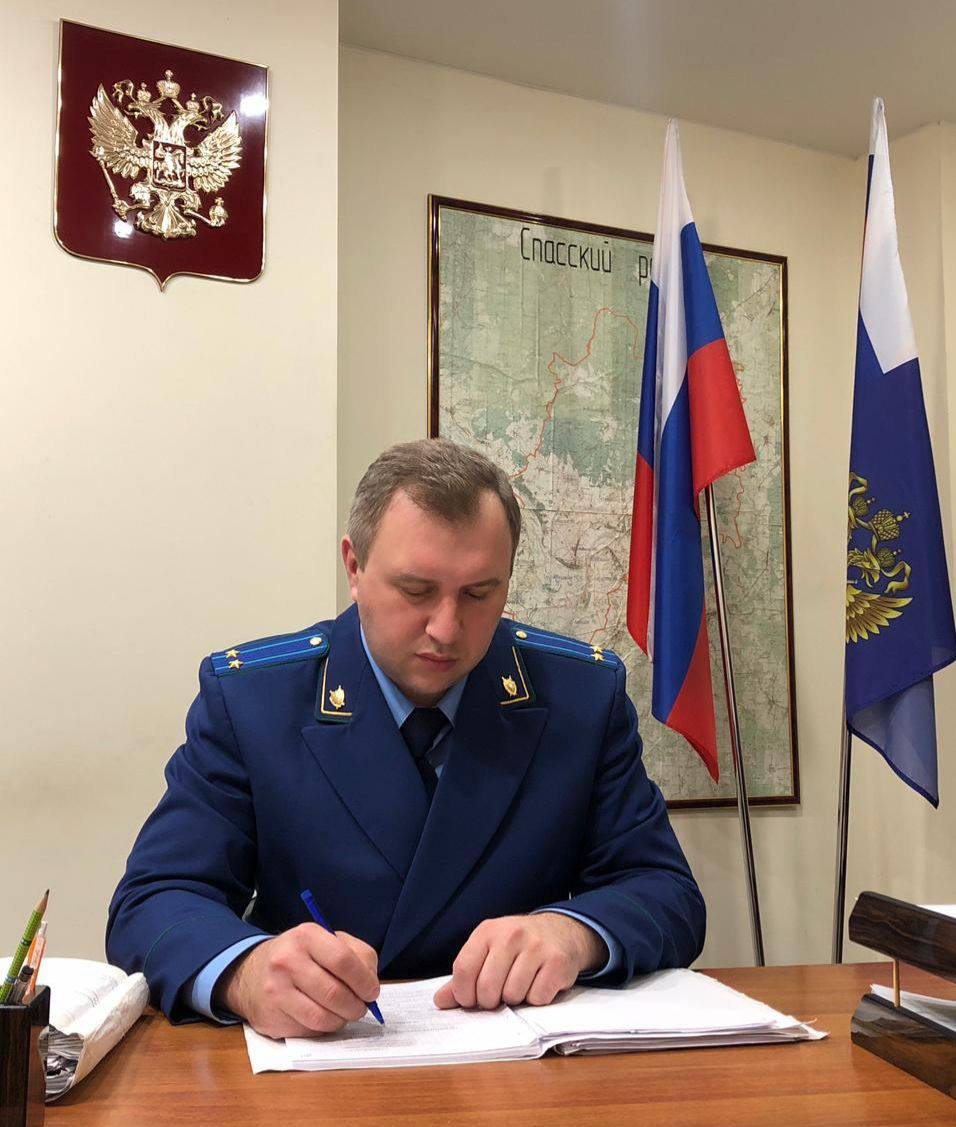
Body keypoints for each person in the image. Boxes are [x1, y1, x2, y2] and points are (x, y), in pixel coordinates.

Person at [107, 439, 705, 1038]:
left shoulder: (580, 698)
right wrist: (245, 970)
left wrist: (572, 934)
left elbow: (664, 891)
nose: (446, 629)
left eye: (479, 593)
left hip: (517, 1061)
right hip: (322, 1055)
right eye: (416, 591)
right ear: (354, 567)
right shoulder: (253, 702)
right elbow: (154, 899)